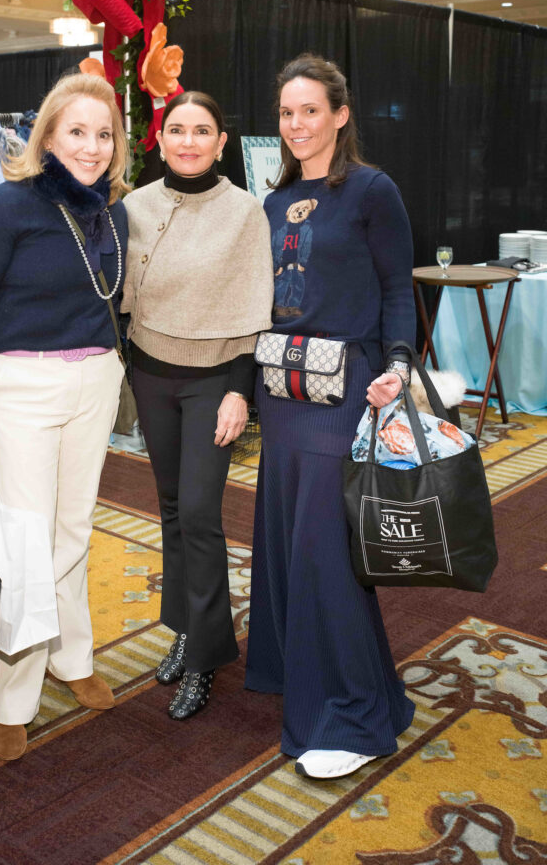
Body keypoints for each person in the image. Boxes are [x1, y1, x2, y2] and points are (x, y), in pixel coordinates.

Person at [245, 54, 416, 780]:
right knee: (291, 539)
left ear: (340, 115)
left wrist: (399, 365)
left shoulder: (373, 190)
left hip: (346, 393)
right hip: (283, 393)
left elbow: (397, 289)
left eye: (310, 110)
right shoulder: (273, 201)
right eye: (287, 113)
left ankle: (352, 715)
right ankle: (348, 687)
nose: (297, 124)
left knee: (324, 552)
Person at [0, 73, 129, 761]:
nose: (91, 146)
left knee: (72, 530)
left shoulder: (113, 211)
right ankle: (11, 695)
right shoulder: (7, 205)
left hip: (95, 382)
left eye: (104, 134)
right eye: (76, 131)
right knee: (23, 544)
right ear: (48, 135)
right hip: (21, 386)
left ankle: (70, 656)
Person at [121, 92, 274, 720]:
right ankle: (186, 630)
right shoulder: (134, 206)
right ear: (160, 140)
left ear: (221, 142)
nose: (189, 141)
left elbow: (255, 307)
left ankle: (207, 656)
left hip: (215, 380)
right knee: (172, 509)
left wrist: (240, 390)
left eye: (202, 130)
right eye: (177, 130)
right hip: (151, 374)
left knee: (202, 515)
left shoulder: (245, 212)